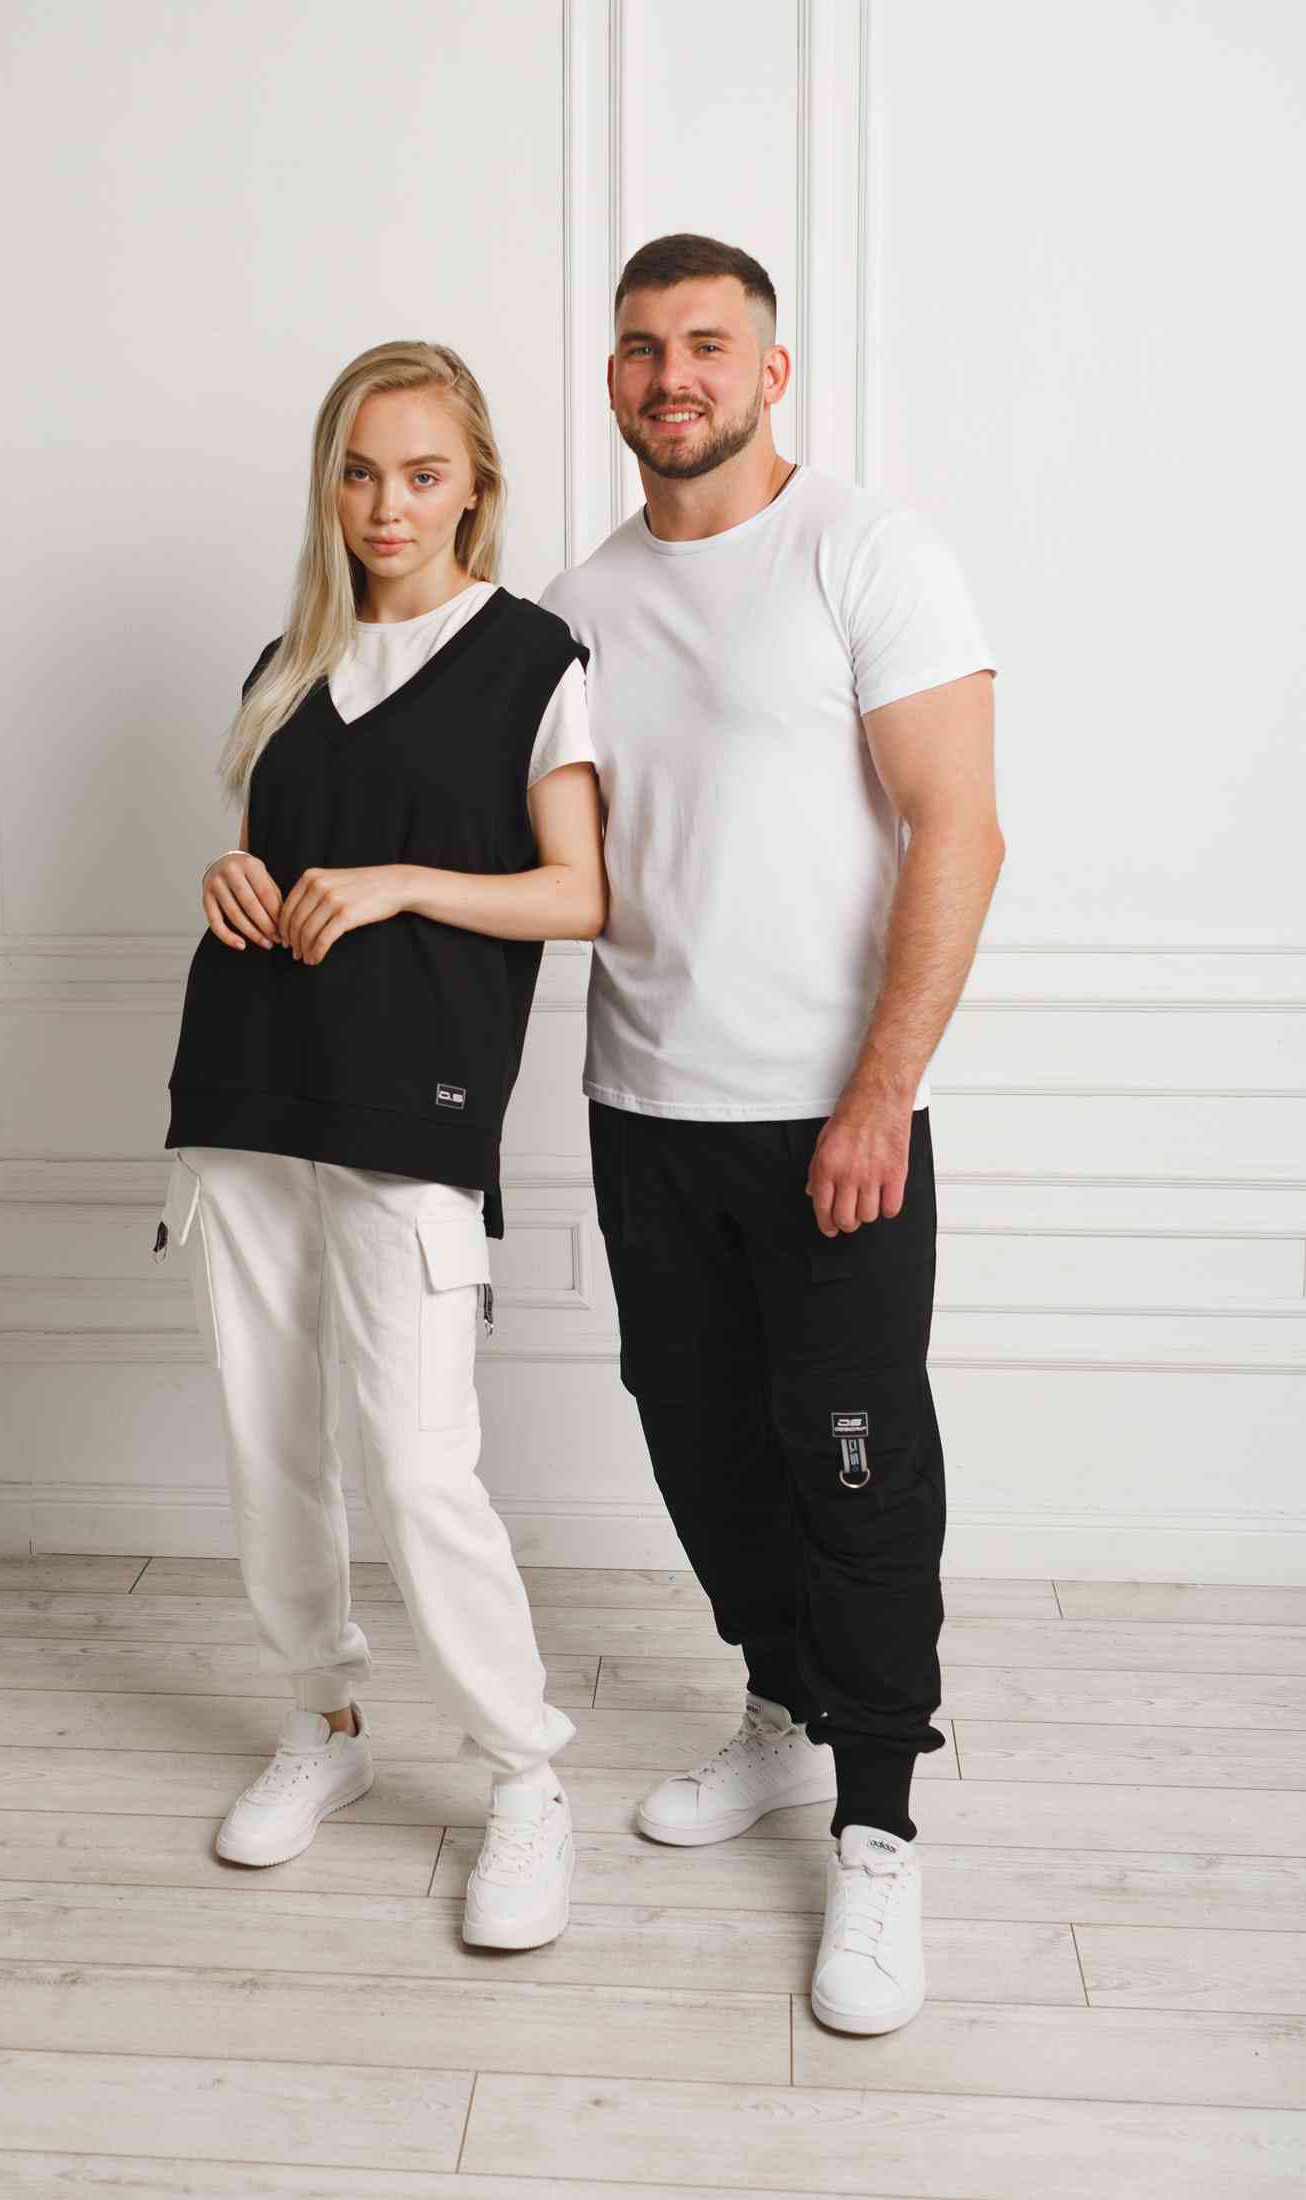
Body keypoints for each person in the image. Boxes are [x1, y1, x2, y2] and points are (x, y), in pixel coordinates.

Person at [540, 233, 1003, 2035]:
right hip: (641, 1108)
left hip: (828, 1121)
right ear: (612, 377)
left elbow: (957, 829)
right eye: (641, 348)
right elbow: (551, 859)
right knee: (703, 1450)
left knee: (856, 1467)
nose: (673, 377)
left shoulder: (863, 552)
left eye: (707, 346)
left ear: (768, 371)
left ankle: (877, 1827)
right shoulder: (578, 602)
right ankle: (783, 1706)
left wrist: (878, 1092)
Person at [155, 340, 604, 1951]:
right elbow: (268, 857)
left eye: (420, 473)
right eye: (358, 472)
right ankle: (324, 1722)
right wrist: (229, 876)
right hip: (246, 1090)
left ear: (475, 485)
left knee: (417, 1465)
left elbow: (580, 893)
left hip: (412, 1109)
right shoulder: (288, 658)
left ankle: (524, 1777)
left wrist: (405, 881)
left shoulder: (534, 657)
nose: (386, 505)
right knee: (268, 1440)